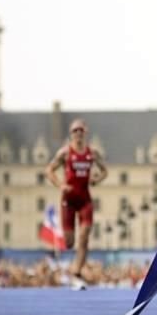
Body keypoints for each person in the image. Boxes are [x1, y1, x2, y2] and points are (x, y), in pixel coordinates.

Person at [46, 119, 107, 288]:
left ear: (85, 133)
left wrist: (96, 180)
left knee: (84, 235)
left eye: (81, 131)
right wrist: (61, 185)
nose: (78, 134)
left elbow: (105, 171)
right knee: (69, 242)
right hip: (68, 200)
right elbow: (49, 170)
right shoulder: (65, 153)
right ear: (71, 134)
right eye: (75, 131)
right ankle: (74, 267)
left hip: (85, 199)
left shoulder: (92, 153)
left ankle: (77, 270)